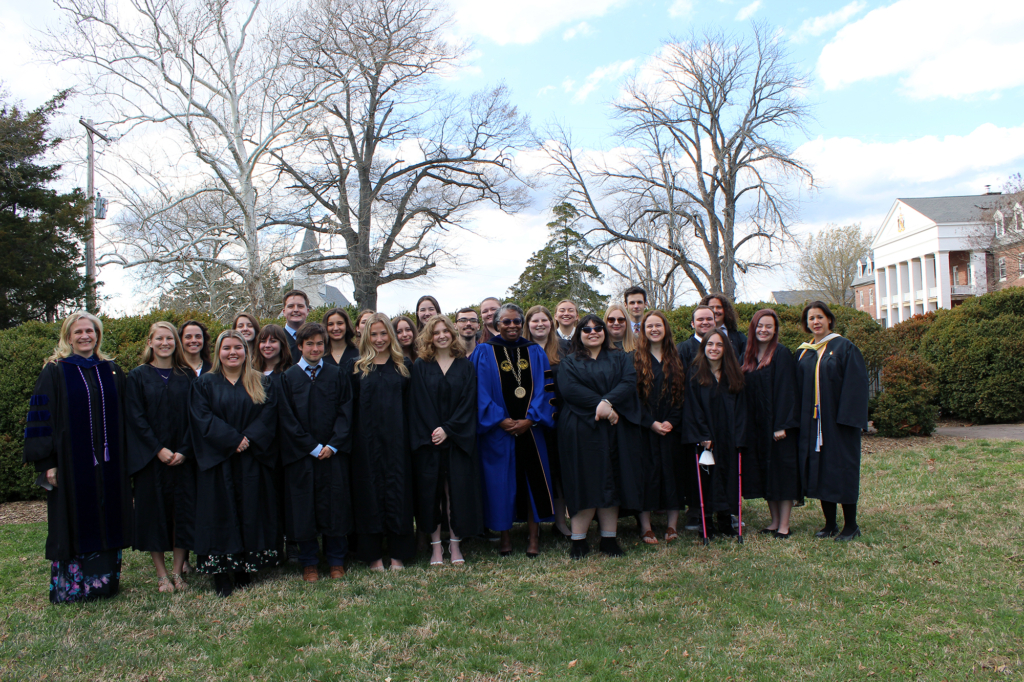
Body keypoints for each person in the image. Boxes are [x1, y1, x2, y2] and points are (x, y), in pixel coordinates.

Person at [23, 311, 132, 604]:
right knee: (71, 517)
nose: (85, 336)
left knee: (107, 513)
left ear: (98, 335)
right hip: (72, 465)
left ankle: (104, 584)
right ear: (68, 336)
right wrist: (47, 463)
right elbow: (41, 418)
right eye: (79, 331)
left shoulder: (111, 370)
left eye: (91, 331)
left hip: (109, 464)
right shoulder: (56, 370)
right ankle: (72, 588)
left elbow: (125, 418)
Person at [189, 330, 280, 597]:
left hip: (251, 459)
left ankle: (244, 568)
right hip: (219, 461)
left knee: (249, 511)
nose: (232, 352)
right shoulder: (204, 384)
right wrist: (232, 440)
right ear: (218, 352)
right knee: (220, 513)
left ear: (246, 351)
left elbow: (269, 414)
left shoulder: (261, 381)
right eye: (226, 348)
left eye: (238, 348)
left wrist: (248, 438)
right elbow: (201, 418)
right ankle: (221, 572)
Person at [471, 303, 556, 557]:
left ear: (522, 323)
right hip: (499, 431)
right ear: (496, 324)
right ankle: (504, 536)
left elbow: (546, 389)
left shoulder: (535, 352)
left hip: (532, 429)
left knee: (532, 482)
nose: (511, 326)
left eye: (516, 321)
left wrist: (531, 419)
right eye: (506, 322)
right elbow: (479, 391)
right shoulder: (484, 351)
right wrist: (501, 419)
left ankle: (533, 538)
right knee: (501, 484)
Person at [557, 314, 643, 559]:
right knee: (583, 479)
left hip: (615, 429)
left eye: (598, 328)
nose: (593, 332)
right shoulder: (569, 362)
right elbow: (570, 390)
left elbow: (628, 382)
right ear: (579, 334)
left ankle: (609, 538)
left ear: (605, 332)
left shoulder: (620, 357)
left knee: (611, 478)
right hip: (579, 428)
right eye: (586, 329)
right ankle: (578, 540)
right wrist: (603, 407)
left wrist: (608, 402)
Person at [278, 323, 354, 581]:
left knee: (335, 506)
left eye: (319, 344)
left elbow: (346, 412)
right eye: (309, 344)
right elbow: (287, 420)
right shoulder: (288, 378)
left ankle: (335, 560)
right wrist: (311, 447)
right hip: (302, 456)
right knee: (303, 509)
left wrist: (333, 445)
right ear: (299, 346)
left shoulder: (336, 374)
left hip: (332, 453)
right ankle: (309, 562)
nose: (315, 348)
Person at [126, 322, 196, 594]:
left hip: (183, 458)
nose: (165, 342)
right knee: (154, 515)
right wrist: (158, 449)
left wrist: (184, 450)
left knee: (182, 514)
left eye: (170, 338)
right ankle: (162, 575)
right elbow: (136, 418)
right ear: (150, 342)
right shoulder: (138, 376)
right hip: (151, 460)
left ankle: (178, 572)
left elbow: (196, 416)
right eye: (160, 338)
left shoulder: (186, 375)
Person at [410, 315, 482, 566]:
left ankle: (455, 544)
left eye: (445, 331)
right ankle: (436, 548)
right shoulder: (421, 365)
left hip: (457, 439)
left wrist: (449, 429)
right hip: (429, 441)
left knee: (456, 494)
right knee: (432, 493)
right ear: (429, 336)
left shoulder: (465, 366)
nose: (441, 335)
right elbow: (419, 403)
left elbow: (468, 402)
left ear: (453, 334)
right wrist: (435, 431)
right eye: (436, 332)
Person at [795, 301, 869, 542]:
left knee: (842, 469)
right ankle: (829, 523)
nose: (815, 322)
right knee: (820, 470)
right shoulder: (803, 352)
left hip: (838, 424)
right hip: (811, 423)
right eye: (811, 318)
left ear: (829, 319)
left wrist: (848, 421)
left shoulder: (844, 347)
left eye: (819, 317)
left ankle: (851, 525)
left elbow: (856, 385)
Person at [350, 314, 415, 570]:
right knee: (369, 495)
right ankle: (373, 555)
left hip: (398, 442)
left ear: (391, 335)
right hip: (365, 444)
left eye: (383, 334)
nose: (379, 339)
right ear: (366, 336)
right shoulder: (356, 368)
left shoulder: (404, 366)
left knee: (399, 495)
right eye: (373, 334)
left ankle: (398, 554)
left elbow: (411, 406)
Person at [741, 309, 800, 538]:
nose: (763, 330)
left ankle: (784, 525)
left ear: (775, 330)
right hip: (756, 427)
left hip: (778, 428)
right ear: (753, 328)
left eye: (769, 326)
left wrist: (781, 425)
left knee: (782, 475)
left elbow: (787, 391)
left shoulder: (781, 354)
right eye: (760, 325)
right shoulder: (747, 356)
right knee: (767, 474)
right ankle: (773, 521)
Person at [683, 329, 747, 540]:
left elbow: (741, 408)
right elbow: (692, 408)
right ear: (704, 347)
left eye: (719, 345)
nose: (714, 348)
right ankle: (706, 522)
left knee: (728, 477)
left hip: (729, 436)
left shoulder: (734, 373)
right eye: (710, 344)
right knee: (707, 480)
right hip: (706, 439)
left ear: (726, 348)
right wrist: (702, 434)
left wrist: (739, 436)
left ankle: (726, 520)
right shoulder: (695, 373)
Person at [635, 311, 686, 544]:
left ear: (665, 328)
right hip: (645, 430)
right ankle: (645, 527)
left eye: (658, 325)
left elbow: (683, 395)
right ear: (643, 330)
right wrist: (650, 423)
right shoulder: (635, 359)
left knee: (673, 474)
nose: (654, 329)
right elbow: (632, 398)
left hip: (671, 429)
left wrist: (672, 421)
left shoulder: (676, 358)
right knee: (646, 476)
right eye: (649, 326)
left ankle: (672, 525)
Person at [523, 305, 571, 539]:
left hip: (559, 420)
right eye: (534, 321)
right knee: (535, 472)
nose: (540, 324)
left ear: (551, 323)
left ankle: (560, 522)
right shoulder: (520, 351)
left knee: (558, 472)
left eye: (544, 320)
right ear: (528, 325)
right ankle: (535, 524)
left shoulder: (564, 349)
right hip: (530, 423)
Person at [700, 292, 747, 360]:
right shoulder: (696, 339)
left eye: (719, 307)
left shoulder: (740, 338)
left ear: (726, 310)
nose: (715, 311)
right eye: (711, 307)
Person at [322, 307, 359, 372]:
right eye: (330, 324)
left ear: (347, 325)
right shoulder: (320, 355)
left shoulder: (358, 354)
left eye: (340, 323)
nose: (336, 328)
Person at [282, 290, 310, 361]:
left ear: (307, 311)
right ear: (284, 312)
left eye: (300, 306)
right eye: (291, 306)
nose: (296, 310)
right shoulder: (277, 338)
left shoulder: (316, 337)